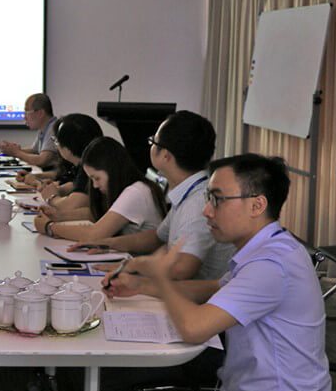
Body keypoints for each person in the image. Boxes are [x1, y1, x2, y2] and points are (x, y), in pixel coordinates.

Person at [104, 154, 331, 391]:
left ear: (257, 205)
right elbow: (213, 289)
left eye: (217, 199)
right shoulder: (270, 246)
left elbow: (193, 328)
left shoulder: (270, 265)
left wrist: (160, 276)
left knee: (115, 378)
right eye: (208, 198)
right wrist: (140, 285)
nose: (207, 211)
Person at [71, 111, 235, 280]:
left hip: (193, 294)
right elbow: (157, 237)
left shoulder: (196, 204)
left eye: (153, 142)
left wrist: (133, 267)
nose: (150, 146)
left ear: (165, 155)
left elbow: (181, 269)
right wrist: (108, 244)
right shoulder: (189, 190)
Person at [35, 136, 167, 240]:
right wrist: (59, 216)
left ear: (113, 171)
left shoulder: (136, 192)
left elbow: (94, 234)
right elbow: (97, 215)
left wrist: (50, 227)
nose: (95, 185)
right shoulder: (130, 188)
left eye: (97, 178)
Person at [23, 113, 103, 221]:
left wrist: (52, 197)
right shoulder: (87, 162)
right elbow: (74, 185)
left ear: (69, 145)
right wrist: (56, 189)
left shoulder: (89, 167)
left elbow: (71, 206)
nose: (57, 146)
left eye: (56, 141)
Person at [0, 93, 59, 170]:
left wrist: (16, 152)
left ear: (40, 113)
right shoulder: (44, 128)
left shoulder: (53, 128)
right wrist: (12, 150)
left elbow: (41, 160)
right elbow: (34, 151)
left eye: (26, 111)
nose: (24, 117)